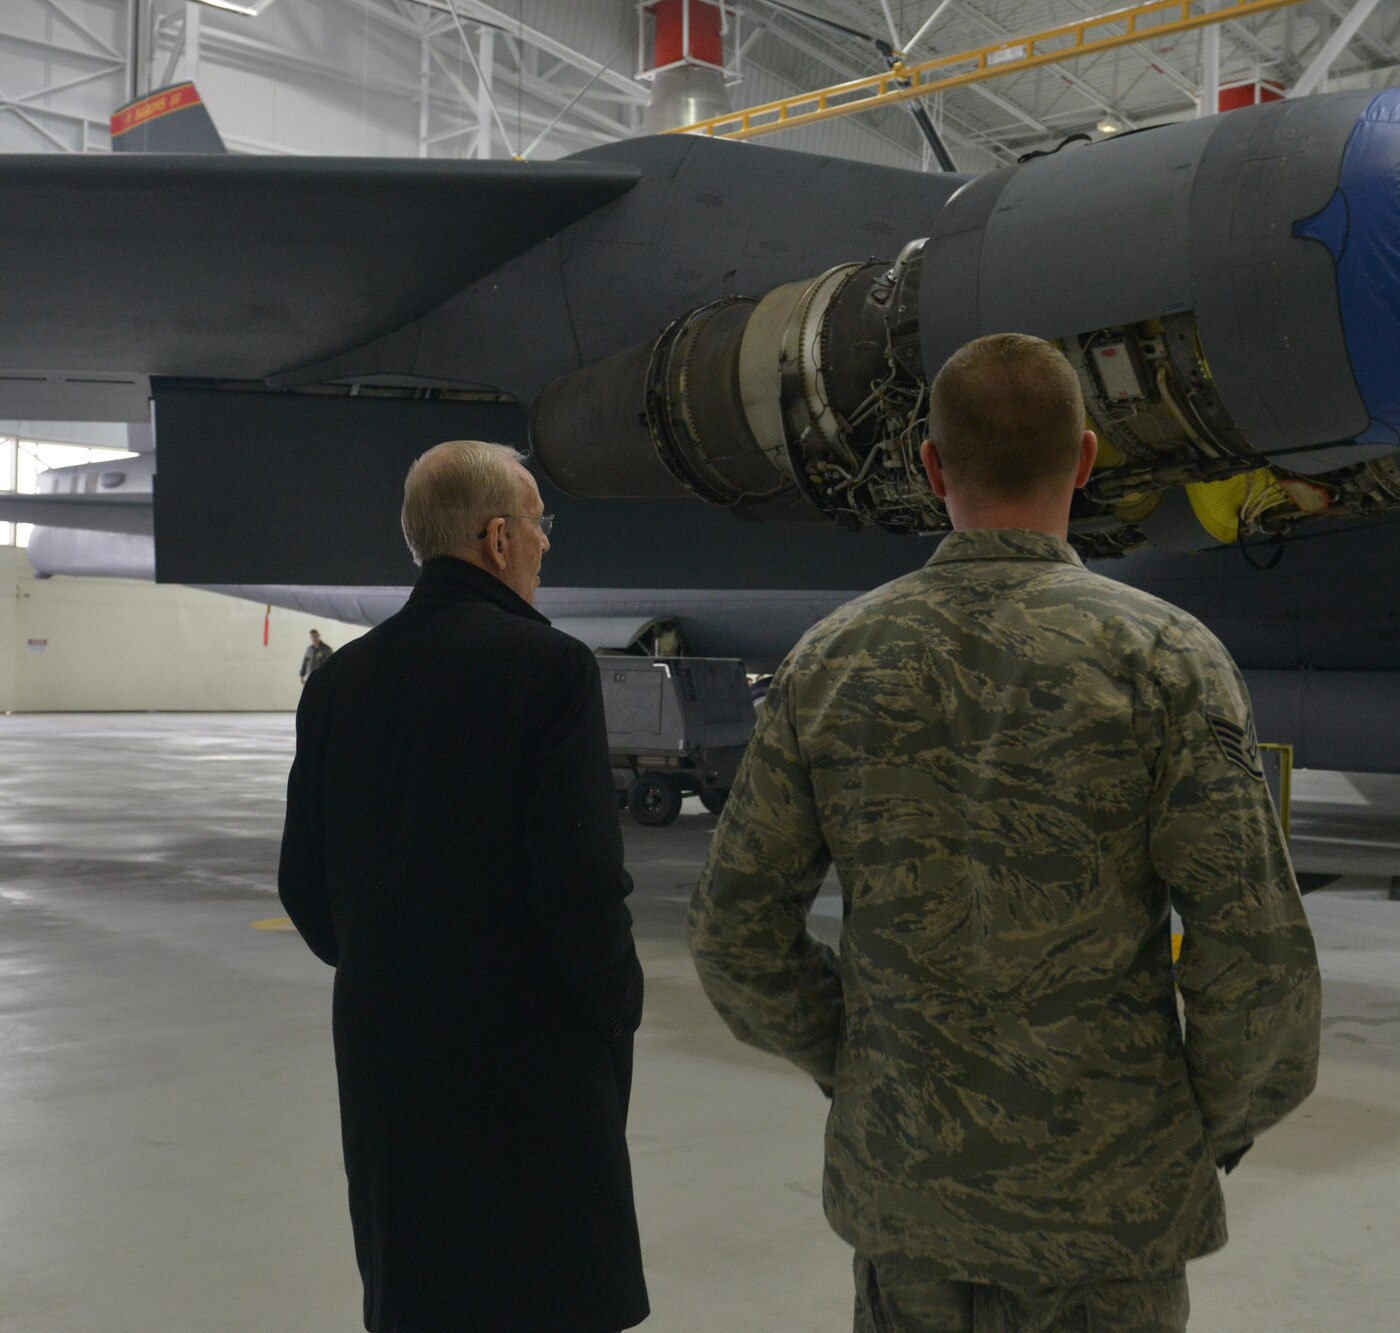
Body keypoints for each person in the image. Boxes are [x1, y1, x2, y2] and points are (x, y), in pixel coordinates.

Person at [689, 334, 1322, 1333]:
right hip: (1110, 1209)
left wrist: (860, 1065)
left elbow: (735, 937)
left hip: (910, 1195)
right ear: (1083, 460)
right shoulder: (1163, 661)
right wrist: (1194, 1125)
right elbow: (1256, 959)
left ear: (932, 467)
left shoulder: (832, 663)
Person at [279, 439, 647, 1333]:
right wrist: (615, 1011)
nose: (546, 544)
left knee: (421, 1298)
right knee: (548, 1296)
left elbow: (303, 883)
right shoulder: (550, 668)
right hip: (533, 1071)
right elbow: (581, 884)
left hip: (389, 1064)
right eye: (538, 524)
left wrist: (390, 961)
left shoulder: (339, 683)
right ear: (497, 539)